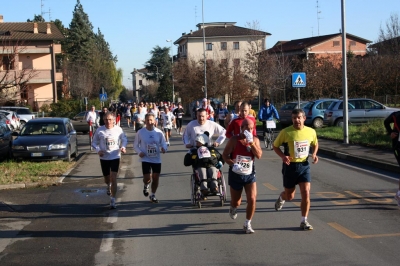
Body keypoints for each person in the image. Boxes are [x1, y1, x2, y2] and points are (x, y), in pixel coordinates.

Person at [272, 109, 318, 230]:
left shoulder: (311, 131)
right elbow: (275, 146)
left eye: (298, 117)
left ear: (304, 118)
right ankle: (282, 197)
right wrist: (283, 156)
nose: (296, 120)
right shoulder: (286, 132)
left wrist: (314, 154)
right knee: (290, 196)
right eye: (293, 118)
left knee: (306, 193)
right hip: (290, 167)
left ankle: (304, 220)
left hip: (304, 165)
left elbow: (315, 143)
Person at [222, 118, 262, 234]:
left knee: (252, 199)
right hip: (236, 174)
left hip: (249, 174)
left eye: (251, 128)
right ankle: (233, 207)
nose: (249, 130)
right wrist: (233, 164)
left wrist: (252, 143)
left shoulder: (255, 139)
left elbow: (259, 155)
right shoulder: (234, 140)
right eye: (246, 128)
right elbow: (225, 155)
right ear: (241, 128)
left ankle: (247, 223)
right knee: (236, 202)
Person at [92, 112, 127, 209]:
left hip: (115, 156)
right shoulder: (100, 130)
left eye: (110, 119)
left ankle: (113, 199)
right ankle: (108, 185)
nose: (108, 121)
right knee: (107, 179)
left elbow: (124, 139)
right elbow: (94, 143)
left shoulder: (118, 130)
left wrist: (123, 147)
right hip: (104, 157)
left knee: (113, 177)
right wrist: (98, 151)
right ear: (103, 120)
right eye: (106, 120)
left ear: (114, 120)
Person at [134, 113, 168, 203]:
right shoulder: (140, 132)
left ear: (154, 121)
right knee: (147, 178)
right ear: (145, 121)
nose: (149, 122)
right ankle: (146, 185)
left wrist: (164, 148)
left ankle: (152, 195)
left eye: (151, 120)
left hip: (156, 158)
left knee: (156, 177)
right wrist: (139, 152)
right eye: (147, 120)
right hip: (145, 158)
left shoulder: (159, 132)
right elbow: (135, 145)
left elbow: (164, 143)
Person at [383, 111, 400, 206]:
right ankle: (399, 194)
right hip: (398, 146)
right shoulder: (396, 115)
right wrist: (391, 133)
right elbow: (386, 122)